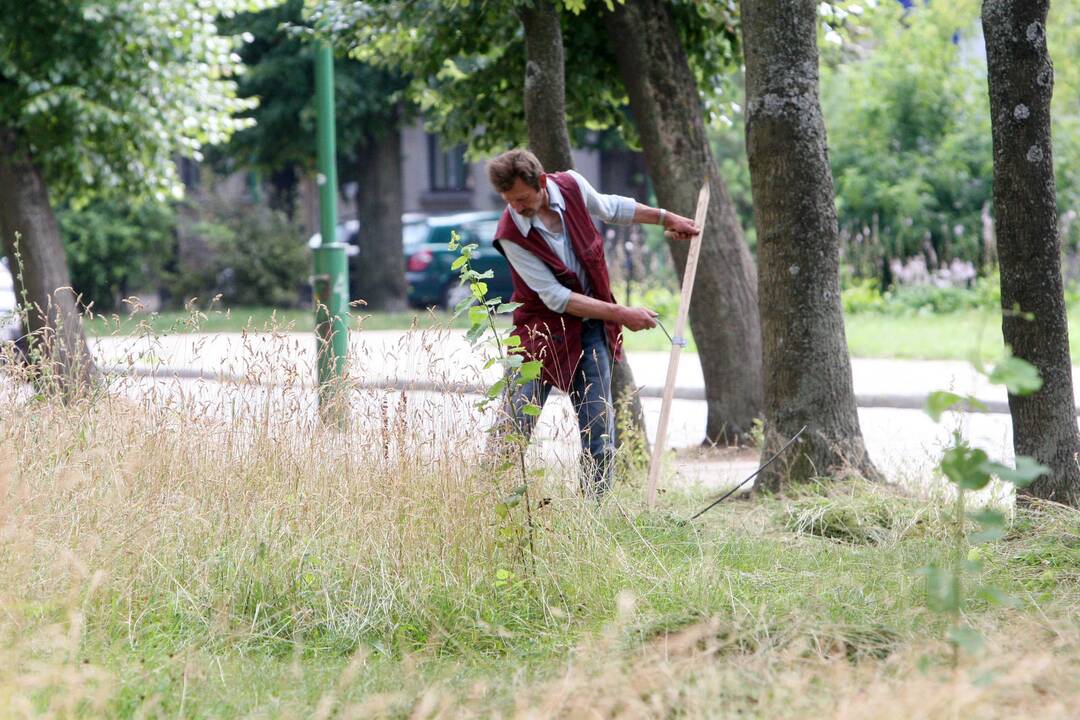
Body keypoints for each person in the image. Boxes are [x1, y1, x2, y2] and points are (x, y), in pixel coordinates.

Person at [486, 148, 700, 498]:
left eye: (523, 198)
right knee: (513, 427)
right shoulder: (511, 233)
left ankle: (594, 519)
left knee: (598, 432)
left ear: (541, 182)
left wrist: (667, 218)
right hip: (538, 336)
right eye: (511, 201)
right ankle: (485, 503)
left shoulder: (571, 185)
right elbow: (556, 298)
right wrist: (623, 314)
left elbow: (613, 208)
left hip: (589, 331)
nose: (518, 207)